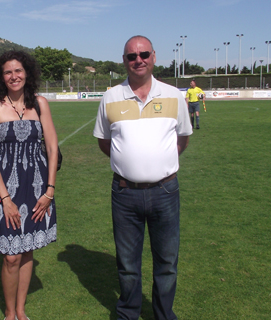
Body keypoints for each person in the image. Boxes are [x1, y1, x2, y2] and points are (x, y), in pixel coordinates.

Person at [93, 36, 192, 320]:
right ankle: (128, 313)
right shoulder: (110, 97)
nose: (138, 60)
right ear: (124, 61)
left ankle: (163, 314)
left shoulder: (174, 95)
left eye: (144, 54)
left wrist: (159, 164)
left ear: (154, 57)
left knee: (167, 262)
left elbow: (182, 139)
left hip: (166, 192)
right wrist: (130, 164)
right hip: (125, 194)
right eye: (131, 56)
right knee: (127, 264)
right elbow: (105, 143)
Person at [0, 51, 59, 320]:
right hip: (6, 189)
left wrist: (49, 190)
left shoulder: (40, 104)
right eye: (7, 72)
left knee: (27, 252)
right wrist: (5, 198)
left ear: (27, 73)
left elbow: (51, 147)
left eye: (18, 71)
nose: (13, 76)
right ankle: (9, 312)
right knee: (10, 256)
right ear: (1, 76)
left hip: (38, 186)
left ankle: (21, 310)